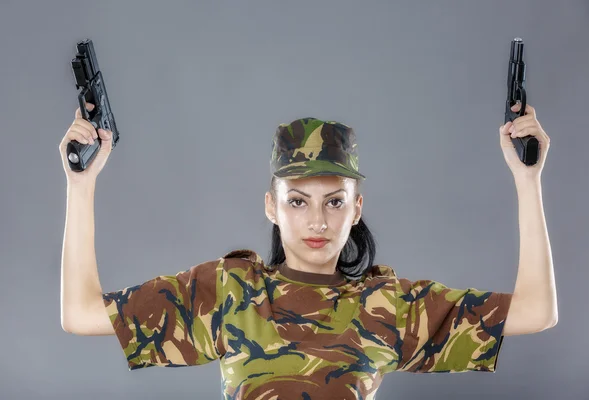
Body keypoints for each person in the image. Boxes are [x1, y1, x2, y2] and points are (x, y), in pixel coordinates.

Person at [59, 104, 556, 399]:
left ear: (356, 208)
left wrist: (527, 180)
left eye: (333, 202)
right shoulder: (229, 292)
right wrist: (80, 186)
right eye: (297, 201)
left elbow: (538, 312)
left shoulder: (390, 306)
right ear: (271, 207)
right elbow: (80, 314)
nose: (317, 221)